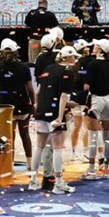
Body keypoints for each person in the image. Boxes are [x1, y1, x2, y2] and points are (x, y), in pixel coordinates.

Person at [28, 45, 80, 194]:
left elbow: (38, 92)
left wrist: (37, 108)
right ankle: (58, 183)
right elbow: (63, 96)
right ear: (68, 57)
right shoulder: (68, 71)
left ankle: (33, 181)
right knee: (57, 148)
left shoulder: (48, 69)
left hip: (42, 112)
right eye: (74, 56)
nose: (75, 59)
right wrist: (59, 116)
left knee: (39, 147)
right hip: (54, 113)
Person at [0, 38, 35, 167]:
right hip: (22, 105)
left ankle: (9, 165)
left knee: (8, 137)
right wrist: (33, 104)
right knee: (25, 135)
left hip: (4, 106)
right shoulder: (23, 67)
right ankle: (30, 165)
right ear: (16, 51)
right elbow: (30, 89)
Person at [82, 38, 109, 180]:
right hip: (108, 100)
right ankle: (106, 168)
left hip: (96, 100)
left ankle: (91, 170)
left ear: (100, 49)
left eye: (96, 45)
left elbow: (86, 86)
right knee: (107, 136)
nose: (94, 46)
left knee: (93, 136)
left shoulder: (92, 64)